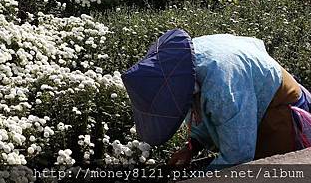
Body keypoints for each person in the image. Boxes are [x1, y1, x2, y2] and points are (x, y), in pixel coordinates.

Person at [122, 29, 311, 170]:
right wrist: (192, 146)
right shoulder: (183, 63)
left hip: (280, 120)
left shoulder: (223, 85)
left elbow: (238, 156)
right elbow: (200, 107)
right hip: (255, 101)